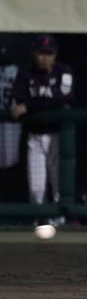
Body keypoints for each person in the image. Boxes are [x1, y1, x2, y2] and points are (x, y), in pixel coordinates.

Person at [12, 35, 74, 226]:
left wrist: (30, 107)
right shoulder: (25, 74)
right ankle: (39, 223)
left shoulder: (64, 72)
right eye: (41, 53)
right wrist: (43, 105)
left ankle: (60, 223)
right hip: (35, 137)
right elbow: (16, 106)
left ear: (55, 55)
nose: (44, 58)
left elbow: (63, 99)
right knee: (37, 189)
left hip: (58, 136)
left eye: (48, 53)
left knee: (59, 186)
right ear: (34, 54)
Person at [0, 46, 23, 202]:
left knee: (11, 165)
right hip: (9, 125)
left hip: (11, 126)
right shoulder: (17, 71)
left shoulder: (17, 72)